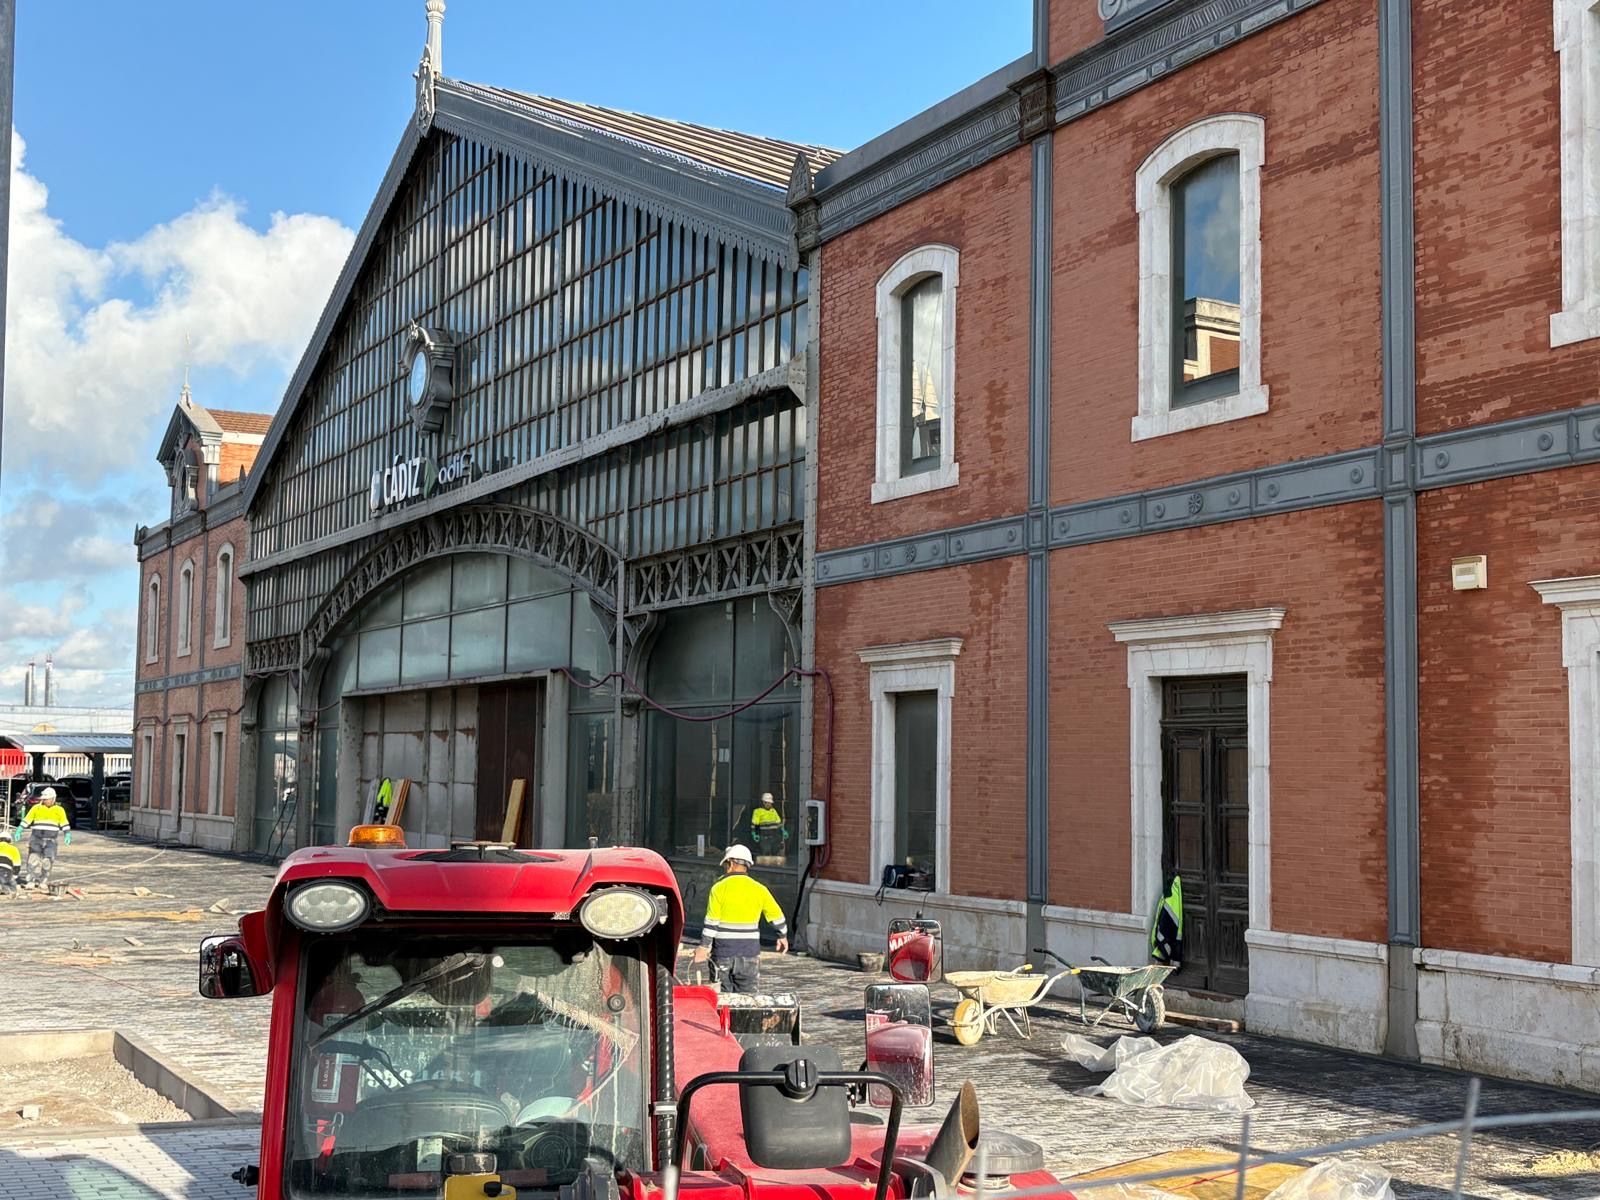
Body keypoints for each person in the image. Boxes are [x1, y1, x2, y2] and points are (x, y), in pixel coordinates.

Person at [692, 844, 787, 994]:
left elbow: (712, 923)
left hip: (723, 952)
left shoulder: (719, 888)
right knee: (748, 999)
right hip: (749, 953)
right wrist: (782, 936)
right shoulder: (759, 888)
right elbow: (777, 915)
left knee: (722, 999)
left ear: (730, 863)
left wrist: (703, 947)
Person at [19, 786, 71, 890]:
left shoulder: (59, 810)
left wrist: (67, 834)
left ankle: (43, 880)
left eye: (47, 799)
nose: (45, 800)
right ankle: (31, 880)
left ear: (53, 799)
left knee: (48, 861)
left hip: (51, 840)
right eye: (43, 799)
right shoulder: (36, 808)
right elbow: (27, 819)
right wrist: (20, 828)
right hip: (36, 838)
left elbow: (64, 823)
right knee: (32, 860)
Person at [749, 792, 786, 858]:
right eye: (767, 802)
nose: (769, 804)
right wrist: (754, 833)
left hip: (774, 836)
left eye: (770, 803)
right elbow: (754, 824)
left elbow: (779, 823)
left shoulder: (773, 811)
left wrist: (783, 831)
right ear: (763, 802)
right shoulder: (758, 811)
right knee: (766, 852)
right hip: (764, 837)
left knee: (775, 851)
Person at [0, 831, 20, 897]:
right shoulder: (13, 849)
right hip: (5, 870)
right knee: (11, 885)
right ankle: (6, 890)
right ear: (9, 840)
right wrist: (15, 875)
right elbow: (17, 864)